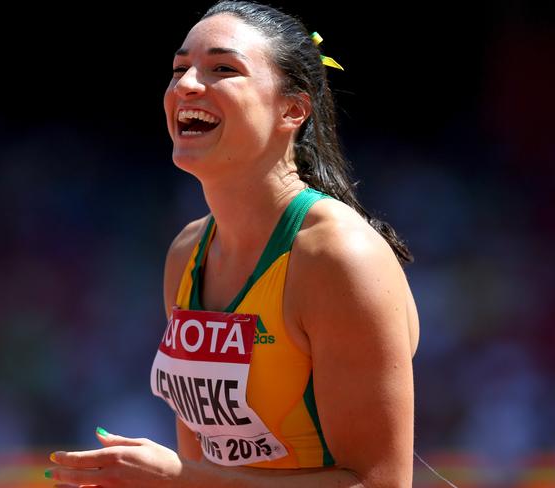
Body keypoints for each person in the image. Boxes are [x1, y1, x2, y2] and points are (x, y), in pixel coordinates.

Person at [45, 1, 419, 486]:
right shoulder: (187, 253)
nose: (186, 85)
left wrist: (179, 479)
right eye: (179, 69)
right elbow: (207, 468)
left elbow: (381, 483)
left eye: (223, 68)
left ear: (293, 108)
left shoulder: (338, 256)